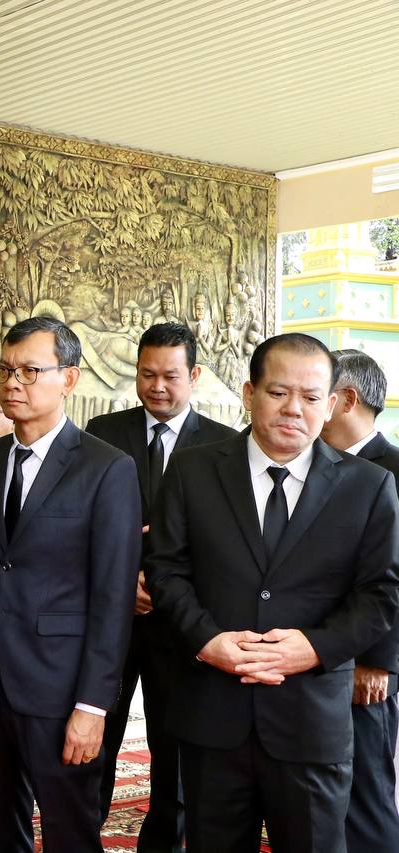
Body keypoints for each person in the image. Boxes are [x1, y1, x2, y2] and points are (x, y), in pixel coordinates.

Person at [144, 333, 399, 853]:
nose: (293, 409)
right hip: (212, 714)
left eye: (310, 397)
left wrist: (316, 648)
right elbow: (166, 571)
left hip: (311, 720)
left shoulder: (368, 486)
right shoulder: (193, 470)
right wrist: (206, 640)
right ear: (249, 393)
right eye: (279, 392)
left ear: (332, 403)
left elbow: (382, 594)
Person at [0, 316, 142, 853]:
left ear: (68, 379)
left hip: (60, 688)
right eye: (5, 370)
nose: (13, 383)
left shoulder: (106, 468)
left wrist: (93, 706)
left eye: (30, 371)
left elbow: (113, 598)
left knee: (71, 831)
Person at [84, 322, 237, 853]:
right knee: (93, 739)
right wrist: (121, 579)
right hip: (113, 619)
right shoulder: (103, 432)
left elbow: (227, 539)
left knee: (173, 751)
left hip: (181, 625)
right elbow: (81, 522)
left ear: (194, 375)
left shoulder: (224, 443)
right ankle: (82, 834)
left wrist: (170, 586)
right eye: (147, 374)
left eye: (170, 376)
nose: (157, 386)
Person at [317, 349, 399, 852]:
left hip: (367, 665)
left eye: (318, 393)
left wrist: (378, 661)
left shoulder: (394, 469)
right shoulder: (316, 464)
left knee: (365, 792)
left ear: (345, 399)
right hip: (316, 654)